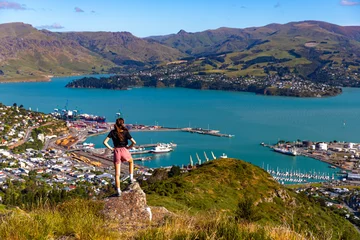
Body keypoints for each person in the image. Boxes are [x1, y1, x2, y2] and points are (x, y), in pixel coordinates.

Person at [103, 118, 136, 196]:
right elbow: (134, 142)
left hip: (116, 151)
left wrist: (111, 148)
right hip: (124, 150)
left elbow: (105, 142)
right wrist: (129, 147)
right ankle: (131, 178)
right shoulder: (125, 132)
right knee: (131, 161)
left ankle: (118, 191)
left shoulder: (112, 132)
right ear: (122, 124)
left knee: (117, 174)